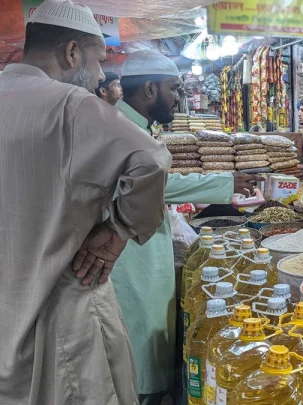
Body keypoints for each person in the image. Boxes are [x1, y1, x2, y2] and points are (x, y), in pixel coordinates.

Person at [0, 1, 172, 404]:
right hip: (62, 317)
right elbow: (151, 159)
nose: (99, 77)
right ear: (71, 52)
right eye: (97, 62)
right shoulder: (70, 104)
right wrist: (117, 230)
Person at [112, 49, 262, 405]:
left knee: (148, 338)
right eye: (173, 88)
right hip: (131, 254)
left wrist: (224, 181)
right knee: (139, 343)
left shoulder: (136, 127)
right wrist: (226, 182)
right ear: (150, 89)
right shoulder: (121, 132)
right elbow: (157, 185)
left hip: (144, 246)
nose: (178, 97)